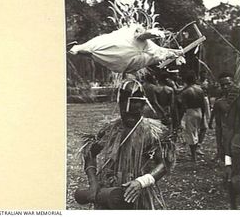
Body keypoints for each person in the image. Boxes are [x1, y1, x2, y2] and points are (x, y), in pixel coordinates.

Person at [74, 78, 175, 209]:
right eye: (126, 114)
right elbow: (89, 152)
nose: (130, 118)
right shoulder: (111, 129)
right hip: (109, 191)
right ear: (120, 105)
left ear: (142, 107)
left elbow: (165, 163)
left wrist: (142, 182)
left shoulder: (153, 132)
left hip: (136, 193)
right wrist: (93, 182)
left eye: (135, 114)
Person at [217, 72, 240, 209]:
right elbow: (225, 128)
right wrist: (224, 153)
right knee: (234, 179)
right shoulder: (225, 102)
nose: (226, 87)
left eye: (229, 84)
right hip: (235, 144)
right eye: (223, 85)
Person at [180, 71, 207, 162]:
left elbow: (183, 105)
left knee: (190, 133)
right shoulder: (200, 89)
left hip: (190, 111)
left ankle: (193, 155)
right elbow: (203, 104)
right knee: (196, 131)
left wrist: (182, 116)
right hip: (199, 111)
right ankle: (195, 152)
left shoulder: (186, 91)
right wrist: (203, 115)